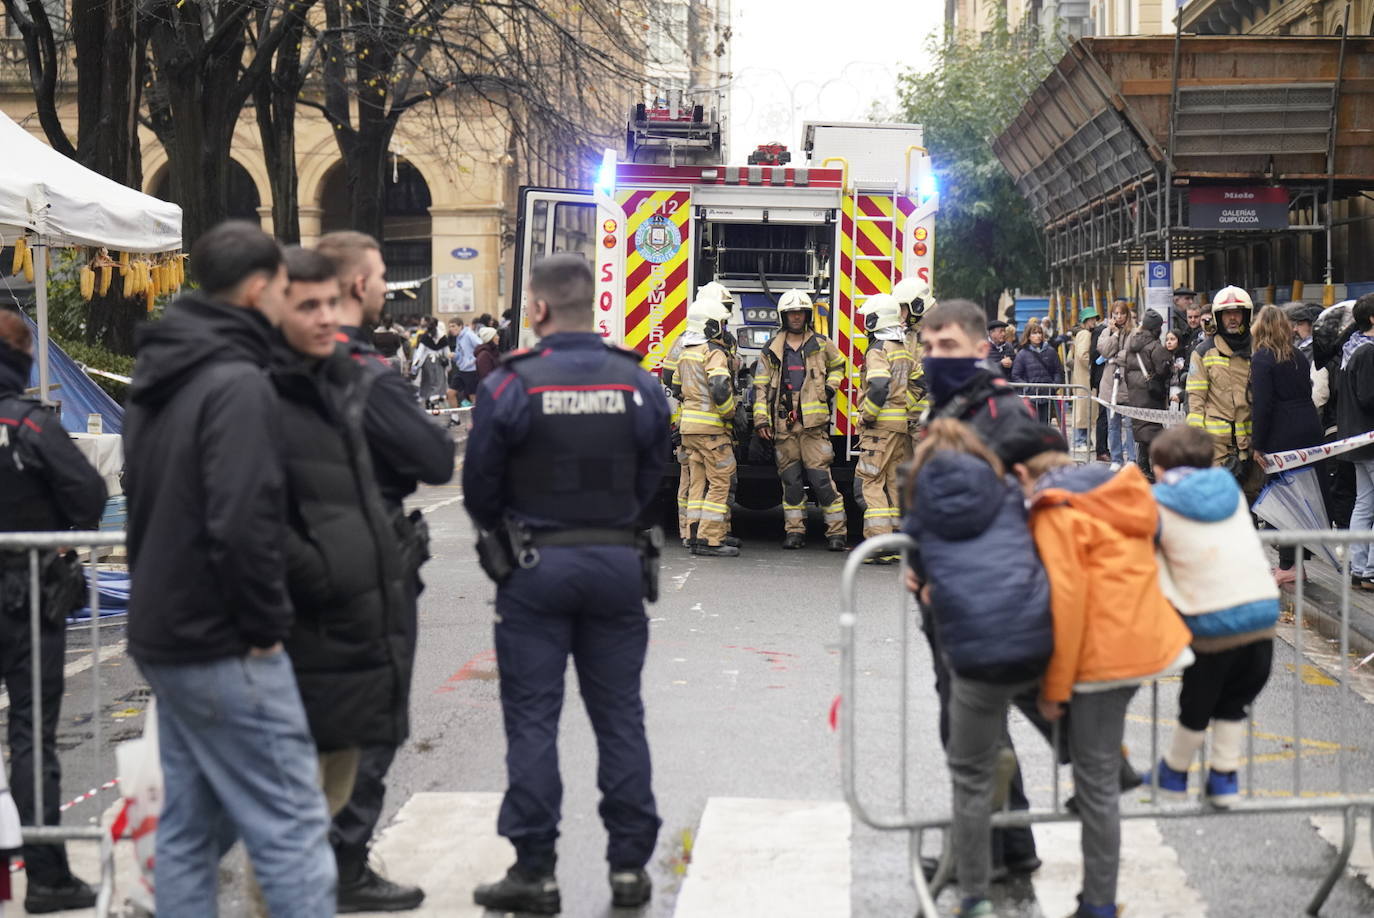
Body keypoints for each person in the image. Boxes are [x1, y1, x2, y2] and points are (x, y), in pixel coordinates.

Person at [123, 221, 336, 917]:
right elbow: (243, 517)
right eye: (282, 289)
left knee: (191, 826)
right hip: (225, 637)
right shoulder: (237, 382)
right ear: (257, 290)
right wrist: (265, 625)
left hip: (167, 626)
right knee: (293, 825)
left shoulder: (165, 372)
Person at [463, 254, 669, 914]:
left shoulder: (512, 385)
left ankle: (535, 870)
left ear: (541, 309)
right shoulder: (638, 382)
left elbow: (480, 488)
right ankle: (630, 869)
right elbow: (653, 475)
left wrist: (514, 529)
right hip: (616, 566)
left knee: (532, 720)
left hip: (534, 568)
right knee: (620, 717)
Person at [242, 247, 412, 915]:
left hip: (341, 631)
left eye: (330, 304)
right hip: (293, 630)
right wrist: (325, 576)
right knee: (285, 822)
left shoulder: (337, 381)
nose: (325, 319)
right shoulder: (256, 390)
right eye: (307, 305)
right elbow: (245, 517)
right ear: (271, 303)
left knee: (317, 807)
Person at [316, 229, 450, 912]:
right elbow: (433, 456)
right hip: (367, 561)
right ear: (354, 286)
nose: (381, 291)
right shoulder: (364, 373)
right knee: (372, 714)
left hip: (293, 563)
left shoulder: (270, 365)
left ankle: (300, 857)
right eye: (375, 278)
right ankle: (344, 861)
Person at [1018, 439, 1194, 918]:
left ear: (1023, 475)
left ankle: (1099, 902)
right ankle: (1110, 765)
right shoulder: (1112, 493)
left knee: (1095, 789)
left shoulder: (1056, 509)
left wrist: (1055, 691)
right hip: (1144, 640)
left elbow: (1068, 603)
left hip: (1103, 655)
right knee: (1095, 768)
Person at [914, 299, 1051, 880]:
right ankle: (1008, 840)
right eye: (928, 346)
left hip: (982, 595)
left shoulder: (999, 408)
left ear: (979, 347)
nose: (934, 357)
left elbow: (1043, 483)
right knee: (981, 724)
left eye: (947, 347)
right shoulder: (953, 404)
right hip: (953, 591)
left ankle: (987, 851)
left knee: (968, 728)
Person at [901, 419, 1053, 918]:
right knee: (1056, 736)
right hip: (1032, 639)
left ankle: (975, 896)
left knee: (969, 773)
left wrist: (925, 580)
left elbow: (918, 575)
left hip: (972, 653)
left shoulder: (923, 503)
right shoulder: (1007, 490)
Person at [0, 308, 107, 914]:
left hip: (28, 591)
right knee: (31, 737)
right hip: (27, 597)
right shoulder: (32, 426)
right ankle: (45, 877)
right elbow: (90, 495)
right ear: (23, 361)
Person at [1144, 426, 1279, 806]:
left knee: (1197, 703)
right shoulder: (1229, 490)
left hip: (1212, 622)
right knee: (1233, 702)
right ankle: (1223, 778)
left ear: (1160, 467)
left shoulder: (1157, 503)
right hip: (1261, 616)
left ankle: (1175, 771)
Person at [752, 289, 847, 550]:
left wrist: (830, 388)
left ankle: (836, 533)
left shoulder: (821, 343)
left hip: (813, 426)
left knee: (821, 481)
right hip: (784, 426)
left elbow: (839, 365)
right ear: (784, 316)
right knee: (791, 483)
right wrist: (761, 421)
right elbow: (760, 387)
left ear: (807, 315)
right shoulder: (771, 349)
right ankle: (795, 532)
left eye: (800, 312)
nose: (796, 317)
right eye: (791, 313)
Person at [1250, 305, 1324, 584]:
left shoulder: (1262, 359)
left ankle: (1285, 565)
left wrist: (1258, 443)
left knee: (1281, 499)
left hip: (1282, 433)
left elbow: (1263, 406)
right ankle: (1298, 565)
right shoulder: (1298, 357)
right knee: (1305, 499)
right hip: (1308, 428)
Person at [676, 296, 739, 557]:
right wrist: (729, 414)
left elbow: (677, 386)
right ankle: (710, 539)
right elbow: (719, 386)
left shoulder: (685, 351)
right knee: (721, 481)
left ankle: (693, 534)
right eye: (720, 324)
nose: (723, 329)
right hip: (712, 430)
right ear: (711, 326)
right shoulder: (712, 352)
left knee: (698, 482)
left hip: (689, 429)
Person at [1187, 285, 1262, 500]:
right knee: (1219, 501)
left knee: (1252, 501)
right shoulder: (1203, 352)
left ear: (1245, 316)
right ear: (1218, 317)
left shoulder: (1258, 349)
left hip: (1252, 444)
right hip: (1217, 446)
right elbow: (1195, 400)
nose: (1232, 318)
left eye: (1237, 313)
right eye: (1227, 313)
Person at [855, 293, 914, 559]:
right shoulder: (901, 348)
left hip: (879, 429)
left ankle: (878, 545)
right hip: (899, 426)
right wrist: (901, 405)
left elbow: (878, 386)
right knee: (893, 483)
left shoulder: (878, 350)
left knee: (870, 481)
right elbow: (920, 383)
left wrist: (868, 415)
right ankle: (895, 544)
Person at [1336, 294, 1374, 591]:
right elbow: (1368, 397)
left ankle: (1360, 568)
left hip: (1355, 439)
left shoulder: (1352, 348)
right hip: (1370, 439)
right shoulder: (1369, 352)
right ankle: (1370, 569)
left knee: (1364, 503)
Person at [1122, 311, 1171, 481]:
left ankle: (1143, 467)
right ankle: (1154, 469)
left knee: (1142, 429)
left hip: (1136, 392)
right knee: (1154, 431)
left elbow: (1126, 368)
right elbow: (1163, 369)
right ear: (1156, 328)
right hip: (1151, 393)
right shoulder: (1155, 346)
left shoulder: (1131, 343)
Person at [1096, 300, 1136, 466]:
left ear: (1127, 315)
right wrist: (1114, 335)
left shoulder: (1134, 332)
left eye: (1122, 313)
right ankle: (1117, 459)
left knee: (1130, 425)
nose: (1119, 317)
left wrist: (1114, 357)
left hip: (1127, 384)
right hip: (1109, 384)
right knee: (1113, 425)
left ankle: (1132, 459)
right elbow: (1104, 351)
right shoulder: (1106, 331)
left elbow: (1130, 354)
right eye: (1115, 314)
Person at [1010, 322, 1064, 424]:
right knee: (1031, 427)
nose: (1038, 336)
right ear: (1028, 336)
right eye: (1034, 333)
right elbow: (1016, 375)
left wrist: (1054, 386)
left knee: (1045, 426)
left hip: (1047, 396)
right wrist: (1027, 387)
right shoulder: (1022, 354)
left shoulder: (1051, 352)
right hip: (1030, 398)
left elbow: (1058, 371)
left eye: (1039, 332)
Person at [1070, 307, 1102, 451]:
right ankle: (1080, 441)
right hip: (1084, 377)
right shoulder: (1084, 334)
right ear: (1085, 321)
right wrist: (1092, 364)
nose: (1094, 321)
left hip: (1081, 377)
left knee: (1085, 411)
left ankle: (1084, 440)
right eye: (1091, 319)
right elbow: (1083, 355)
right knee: (1084, 411)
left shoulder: (1080, 334)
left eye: (1095, 318)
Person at [446, 317, 481, 406]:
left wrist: (472, 361)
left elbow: (481, 346)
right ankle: (455, 418)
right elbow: (460, 354)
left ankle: (478, 419)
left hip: (471, 371)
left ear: (460, 326)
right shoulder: (458, 337)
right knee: (450, 393)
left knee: (473, 397)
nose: (451, 329)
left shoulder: (469, 334)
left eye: (453, 326)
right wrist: (454, 356)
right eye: (450, 327)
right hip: (461, 370)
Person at [1164, 330, 1188, 410]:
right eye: (1167, 340)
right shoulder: (1164, 355)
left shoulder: (1183, 355)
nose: (1169, 342)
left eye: (1172, 339)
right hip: (1167, 390)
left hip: (1178, 389)